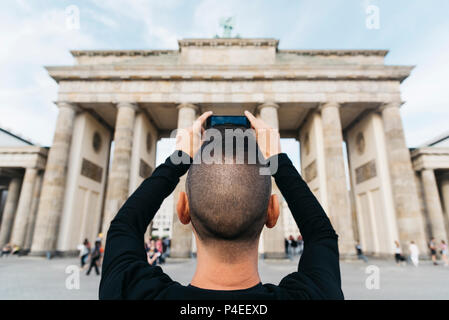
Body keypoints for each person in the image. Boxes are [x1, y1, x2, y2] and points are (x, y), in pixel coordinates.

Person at [99, 110, 344, 300]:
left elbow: (124, 226)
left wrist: (179, 159)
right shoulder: (316, 294)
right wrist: (278, 160)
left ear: (183, 209)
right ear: (273, 212)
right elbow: (321, 235)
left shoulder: (132, 292)